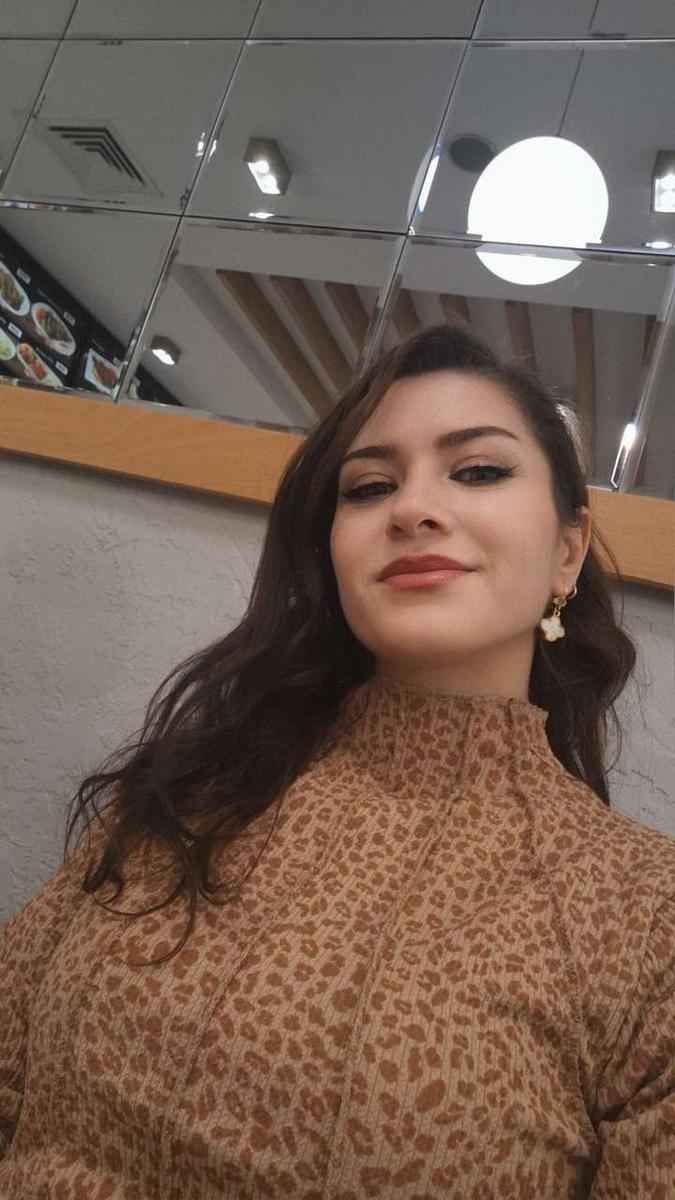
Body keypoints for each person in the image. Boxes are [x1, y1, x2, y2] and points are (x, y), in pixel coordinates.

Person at [1, 322, 673, 1199]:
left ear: (566, 552)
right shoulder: (192, 786)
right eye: (369, 486)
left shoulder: (645, 916)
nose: (411, 508)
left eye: (477, 471)